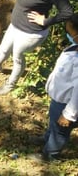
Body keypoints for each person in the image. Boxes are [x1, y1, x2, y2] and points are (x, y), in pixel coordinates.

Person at [28, 14, 78, 162]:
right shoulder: (74, 48)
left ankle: (50, 154)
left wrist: (69, 114)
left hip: (67, 103)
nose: (67, 34)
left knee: (60, 129)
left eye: (69, 32)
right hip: (59, 99)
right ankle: (47, 138)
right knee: (54, 121)